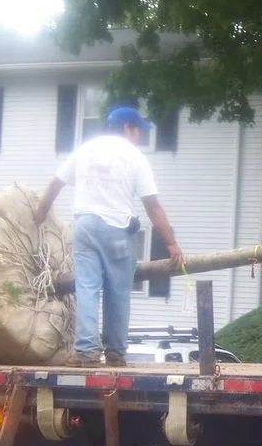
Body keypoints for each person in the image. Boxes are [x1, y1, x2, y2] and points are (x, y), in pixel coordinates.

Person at [34, 105, 184, 366]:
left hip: (84, 226)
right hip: (116, 228)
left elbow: (55, 184)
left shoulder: (85, 150)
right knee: (118, 291)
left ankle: (86, 352)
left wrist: (40, 214)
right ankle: (114, 352)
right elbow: (152, 205)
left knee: (87, 287)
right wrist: (171, 243)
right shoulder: (134, 157)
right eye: (139, 130)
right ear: (127, 128)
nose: (140, 136)